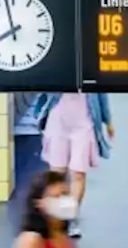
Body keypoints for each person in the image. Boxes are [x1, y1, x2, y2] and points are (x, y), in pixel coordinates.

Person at [35, 93, 113, 238]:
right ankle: (56, 217)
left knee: (78, 173)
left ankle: (70, 217)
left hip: (84, 119)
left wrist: (108, 120)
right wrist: (39, 111)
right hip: (58, 118)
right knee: (57, 173)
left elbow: (101, 90)